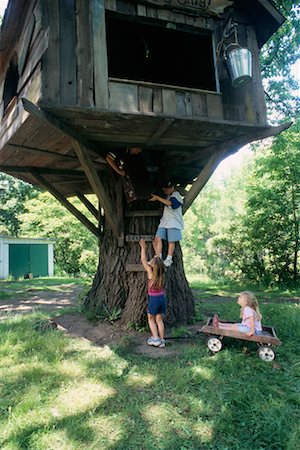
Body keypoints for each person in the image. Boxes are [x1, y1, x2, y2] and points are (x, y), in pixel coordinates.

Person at [149, 180, 184, 267]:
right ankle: (158, 257)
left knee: (171, 240)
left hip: (173, 221)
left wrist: (157, 198)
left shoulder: (176, 195)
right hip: (165, 221)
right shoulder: (168, 196)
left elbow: (171, 203)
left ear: (172, 187)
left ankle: (169, 259)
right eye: (164, 189)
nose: (165, 191)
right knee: (158, 237)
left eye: (167, 189)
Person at [139, 239, 166, 348]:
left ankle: (155, 338)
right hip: (162, 298)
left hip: (154, 299)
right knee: (159, 319)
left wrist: (143, 248)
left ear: (152, 266)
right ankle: (162, 340)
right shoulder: (162, 273)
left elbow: (143, 260)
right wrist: (156, 249)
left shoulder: (151, 274)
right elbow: (158, 260)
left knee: (151, 318)